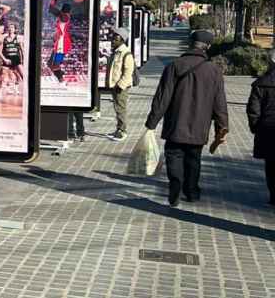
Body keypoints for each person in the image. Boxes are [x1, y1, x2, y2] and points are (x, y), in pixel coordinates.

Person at [145, 30, 229, 207]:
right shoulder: (214, 70)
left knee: (174, 155)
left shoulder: (174, 65)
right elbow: (219, 101)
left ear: (190, 43)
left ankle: (175, 185)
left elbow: (162, 97)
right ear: (208, 47)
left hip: (175, 124)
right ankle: (191, 192)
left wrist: (152, 123)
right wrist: (222, 126)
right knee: (194, 158)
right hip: (200, 126)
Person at [246, 49, 275, 207]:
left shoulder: (261, 83)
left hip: (267, 129)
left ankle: (273, 195)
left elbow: (253, 109)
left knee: (271, 164)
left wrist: (255, 127)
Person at [106, 28, 135, 141]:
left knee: (121, 108)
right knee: (117, 108)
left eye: (116, 39)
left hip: (120, 87)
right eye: (113, 38)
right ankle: (118, 128)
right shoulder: (116, 52)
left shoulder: (126, 53)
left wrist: (120, 85)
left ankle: (122, 131)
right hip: (115, 85)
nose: (113, 41)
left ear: (122, 40)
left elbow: (128, 72)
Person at [0, 22, 23, 102]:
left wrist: (22, 60)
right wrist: (4, 59)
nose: (10, 29)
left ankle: (25, 92)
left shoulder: (18, 39)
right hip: (7, 59)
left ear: (15, 29)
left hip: (16, 59)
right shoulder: (3, 39)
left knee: (23, 76)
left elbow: (22, 50)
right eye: (9, 27)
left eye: (12, 27)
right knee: (1, 77)